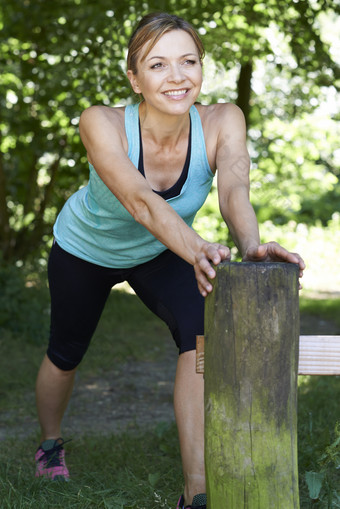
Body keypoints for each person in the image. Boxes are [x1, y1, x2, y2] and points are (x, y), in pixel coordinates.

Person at [34, 12, 305, 509]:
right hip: (87, 250)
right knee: (66, 352)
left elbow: (235, 191)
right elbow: (139, 200)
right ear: (135, 79)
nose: (177, 76)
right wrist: (199, 248)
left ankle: (195, 492)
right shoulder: (101, 121)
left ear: (203, 68)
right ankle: (49, 445)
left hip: (162, 251)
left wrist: (249, 246)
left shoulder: (223, 120)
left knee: (199, 335)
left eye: (188, 61)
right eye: (158, 65)